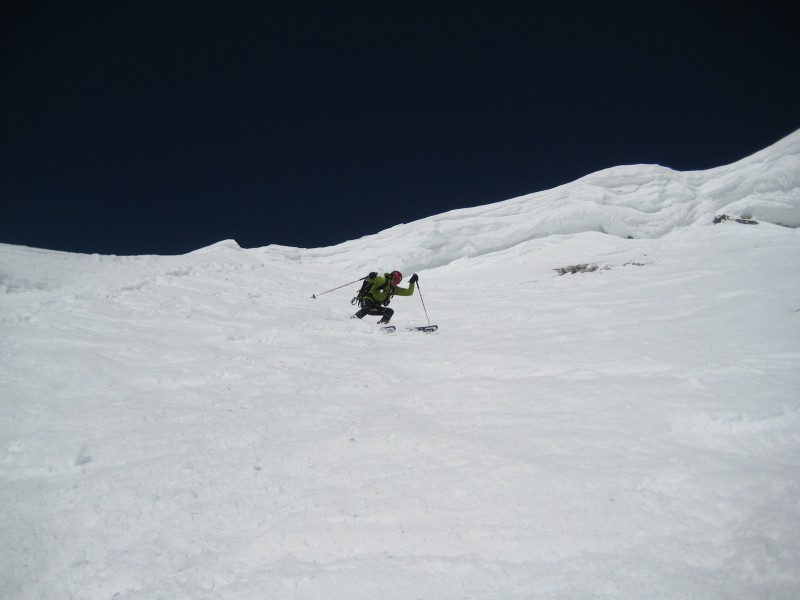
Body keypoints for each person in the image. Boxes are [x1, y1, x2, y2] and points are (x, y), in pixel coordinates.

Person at [352, 270, 418, 324]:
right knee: (366, 309)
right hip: (367, 300)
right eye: (395, 279)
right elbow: (371, 280)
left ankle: (381, 325)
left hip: (375, 306)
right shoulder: (383, 281)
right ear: (391, 277)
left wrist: (412, 283)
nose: (396, 283)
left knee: (390, 311)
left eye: (398, 281)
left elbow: (409, 292)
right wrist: (371, 276)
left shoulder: (393, 289)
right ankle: (352, 321)